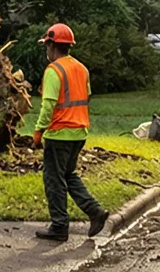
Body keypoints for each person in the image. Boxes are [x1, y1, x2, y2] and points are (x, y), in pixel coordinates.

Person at [31, 23, 108, 241]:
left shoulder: (54, 71)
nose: (46, 50)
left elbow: (48, 106)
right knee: (68, 175)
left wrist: (38, 132)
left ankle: (59, 226)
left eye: (47, 45)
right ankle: (95, 212)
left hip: (58, 135)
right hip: (79, 133)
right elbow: (87, 97)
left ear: (52, 45)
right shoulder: (81, 69)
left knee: (54, 179)